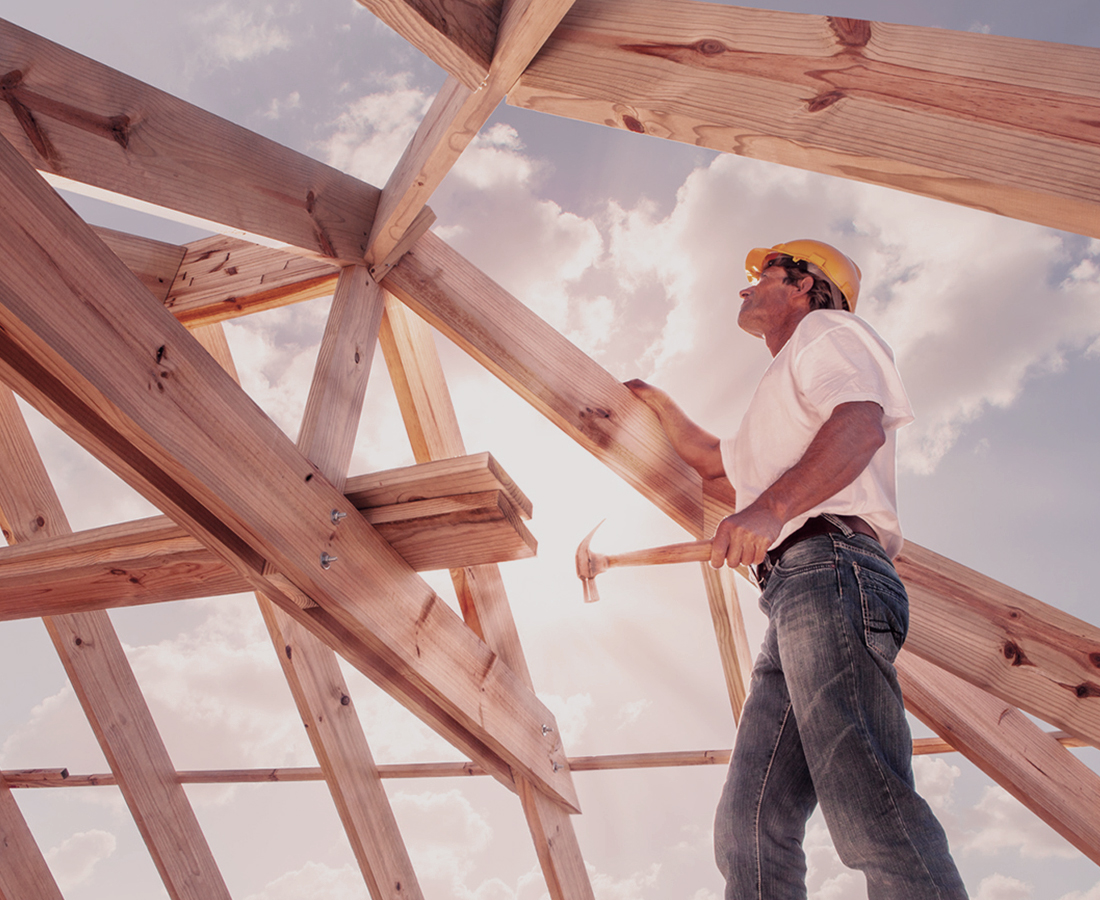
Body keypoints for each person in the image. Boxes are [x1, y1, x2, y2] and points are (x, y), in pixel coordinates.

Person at [626, 240, 967, 900]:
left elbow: (861, 424)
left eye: (762, 275)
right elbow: (717, 465)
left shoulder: (827, 331)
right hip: (796, 590)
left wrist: (768, 510)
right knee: (750, 827)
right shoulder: (780, 390)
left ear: (804, 287)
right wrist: (656, 403)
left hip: (832, 568)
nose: (745, 287)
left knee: (867, 804)